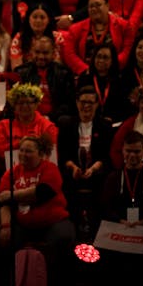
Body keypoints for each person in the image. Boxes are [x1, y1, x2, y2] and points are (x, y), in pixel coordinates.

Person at [0, 134, 75, 286]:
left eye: (29, 151)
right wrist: (5, 226)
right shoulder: (12, 172)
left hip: (53, 221)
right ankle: (9, 284)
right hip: (24, 224)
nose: (23, 154)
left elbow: (43, 192)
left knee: (62, 238)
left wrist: (13, 194)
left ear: (41, 154)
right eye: (22, 150)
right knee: (3, 239)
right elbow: (2, 201)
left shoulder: (50, 168)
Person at [100, 130, 143, 286]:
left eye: (137, 151)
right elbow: (105, 206)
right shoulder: (113, 177)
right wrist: (119, 221)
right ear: (122, 150)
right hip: (120, 228)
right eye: (128, 151)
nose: (132, 155)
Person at [57, 86, 114, 240]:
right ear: (76, 103)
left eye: (90, 102)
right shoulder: (66, 124)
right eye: (83, 101)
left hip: (97, 174)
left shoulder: (105, 126)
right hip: (72, 174)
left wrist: (95, 167)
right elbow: (62, 155)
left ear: (97, 104)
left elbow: (108, 157)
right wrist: (72, 166)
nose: (86, 105)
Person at [62, 0, 134, 75]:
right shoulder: (75, 29)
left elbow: (127, 52)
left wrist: (111, 67)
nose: (94, 9)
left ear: (107, 6)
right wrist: (87, 70)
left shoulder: (124, 26)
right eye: (91, 6)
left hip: (115, 73)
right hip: (86, 74)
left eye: (98, 5)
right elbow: (69, 55)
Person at [15, 35, 76, 123]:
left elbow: (69, 104)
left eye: (45, 53)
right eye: (37, 52)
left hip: (55, 120)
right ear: (31, 52)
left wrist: (49, 117)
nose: (41, 57)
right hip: (27, 119)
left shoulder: (64, 73)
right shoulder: (20, 72)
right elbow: (15, 102)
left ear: (53, 53)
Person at [0, 83, 58, 165]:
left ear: (36, 104)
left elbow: (50, 153)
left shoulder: (48, 126)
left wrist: (19, 145)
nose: (24, 106)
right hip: (11, 171)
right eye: (20, 103)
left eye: (28, 102)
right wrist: (24, 143)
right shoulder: (4, 125)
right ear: (14, 105)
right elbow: (1, 152)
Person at [76, 42, 127, 125]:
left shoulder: (119, 80)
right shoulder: (85, 77)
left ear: (112, 61)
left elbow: (123, 107)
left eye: (105, 58)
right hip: (88, 120)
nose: (101, 60)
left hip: (112, 122)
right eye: (98, 56)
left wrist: (112, 119)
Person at [9, 3, 65, 70]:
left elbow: (59, 66)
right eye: (35, 17)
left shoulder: (58, 37)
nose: (38, 21)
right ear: (28, 19)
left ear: (48, 20)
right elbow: (16, 68)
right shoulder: (19, 38)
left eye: (42, 17)